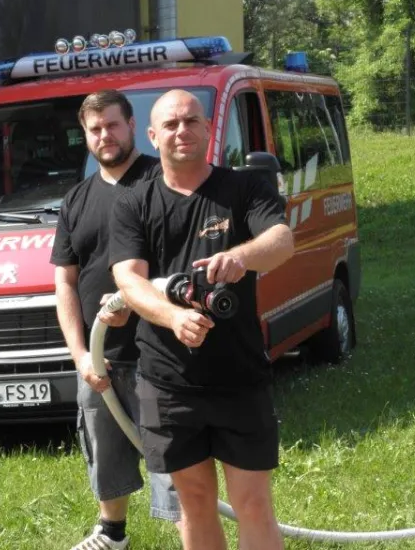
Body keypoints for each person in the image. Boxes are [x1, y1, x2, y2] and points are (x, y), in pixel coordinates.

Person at [108, 89, 295, 550]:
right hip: (167, 383)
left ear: (209, 129)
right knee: (193, 503)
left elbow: (282, 241)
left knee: (253, 504)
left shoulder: (245, 189)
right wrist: (174, 318)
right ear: (152, 136)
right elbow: (128, 280)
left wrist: (241, 257)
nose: (182, 131)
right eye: (170, 125)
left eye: (191, 121)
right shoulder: (133, 202)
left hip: (239, 375)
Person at [50, 89, 180, 550]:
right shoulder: (76, 200)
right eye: (95, 129)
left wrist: (137, 297)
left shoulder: (163, 183)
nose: (105, 135)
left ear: (132, 126)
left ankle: (194, 536)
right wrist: (81, 355)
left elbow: (181, 267)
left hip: (158, 356)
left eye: (112, 125)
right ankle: (112, 534)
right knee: (104, 454)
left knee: (173, 460)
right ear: (85, 137)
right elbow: (64, 283)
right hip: (100, 359)